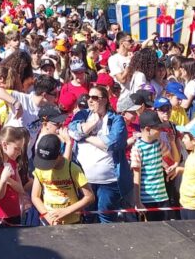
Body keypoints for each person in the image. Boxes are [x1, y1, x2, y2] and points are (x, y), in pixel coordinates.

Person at [68, 85, 131, 222]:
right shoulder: (82, 115)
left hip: (108, 181)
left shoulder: (115, 120)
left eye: (94, 98)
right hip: (84, 181)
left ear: (104, 100)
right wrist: (93, 123)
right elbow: (72, 132)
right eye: (88, 97)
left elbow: (112, 143)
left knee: (106, 216)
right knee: (88, 217)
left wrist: (86, 137)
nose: (90, 100)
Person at [30, 133, 94, 225]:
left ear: (59, 155)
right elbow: (35, 197)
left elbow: (89, 197)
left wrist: (66, 211)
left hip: (72, 221)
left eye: (49, 163)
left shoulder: (73, 169)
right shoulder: (40, 169)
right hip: (48, 220)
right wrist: (47, 216)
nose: (45, 166)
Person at [0, 126, 29, 226]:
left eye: (20, 149)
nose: (19, 153)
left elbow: (20, 188)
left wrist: (9, 180)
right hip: (1, 216)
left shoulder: (12, 161)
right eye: (16, 149)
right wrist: (3, 179)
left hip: (14, 212)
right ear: (4, 145)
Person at [131, 110, 171, 220]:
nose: (160, 130)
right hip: (147, 199)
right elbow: (136, 176)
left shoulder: (159, 144)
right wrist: (138, 202)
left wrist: (172, 142)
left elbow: (172, 158)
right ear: (148, 130)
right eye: (158, 128)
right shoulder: (137, 148)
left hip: (162, 197)